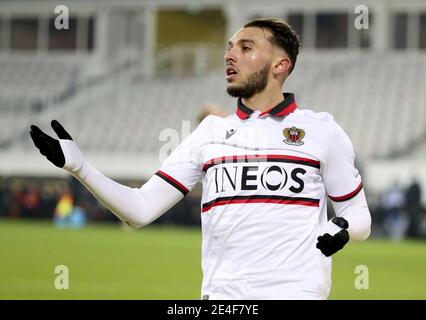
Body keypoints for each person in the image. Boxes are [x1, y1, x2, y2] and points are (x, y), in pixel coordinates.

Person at [29, 18, 371, 300]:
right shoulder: (209, 132)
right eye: (229, 48)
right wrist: (79, 166)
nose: (229, 56)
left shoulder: (322, 131)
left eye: (245, 48)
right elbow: (140, 209)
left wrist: (343, 228)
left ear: (281, 65)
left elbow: (358, 214)